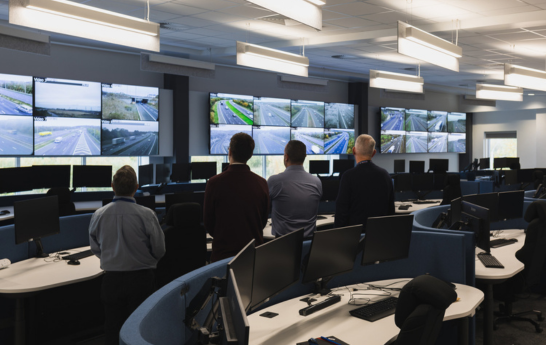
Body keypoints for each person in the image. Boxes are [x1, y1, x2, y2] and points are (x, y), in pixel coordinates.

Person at [89, 165, 165, 345]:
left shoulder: (98, 215)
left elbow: (95, 248)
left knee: (112, 327)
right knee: (139, 328)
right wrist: (147, 260)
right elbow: (160, 249)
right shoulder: (147, 215)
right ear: (136, 187)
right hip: (141, 279)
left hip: (112, 280)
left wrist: (111, 258)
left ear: (112, 187)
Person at [204, 132, 269, 262]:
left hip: (222, 258)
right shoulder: (262, 183)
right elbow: (263, 220)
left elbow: (208, 223)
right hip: (253, 256)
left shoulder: (214, 183)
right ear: (251, 155)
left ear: (229, 152)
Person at [335, 134, 395, 230]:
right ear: (374, 153)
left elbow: (341, 211)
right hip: (379, 236)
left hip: (355, 237)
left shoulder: (348, 176)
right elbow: (391, 211)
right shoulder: (385, 175)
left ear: (354, 150)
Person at [268, 140, 322, 238]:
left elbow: (264, 208)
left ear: (286, 157)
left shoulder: (274, 181)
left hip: (283, 246)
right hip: (309, 246)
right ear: (305, 157)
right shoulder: (316, 182)